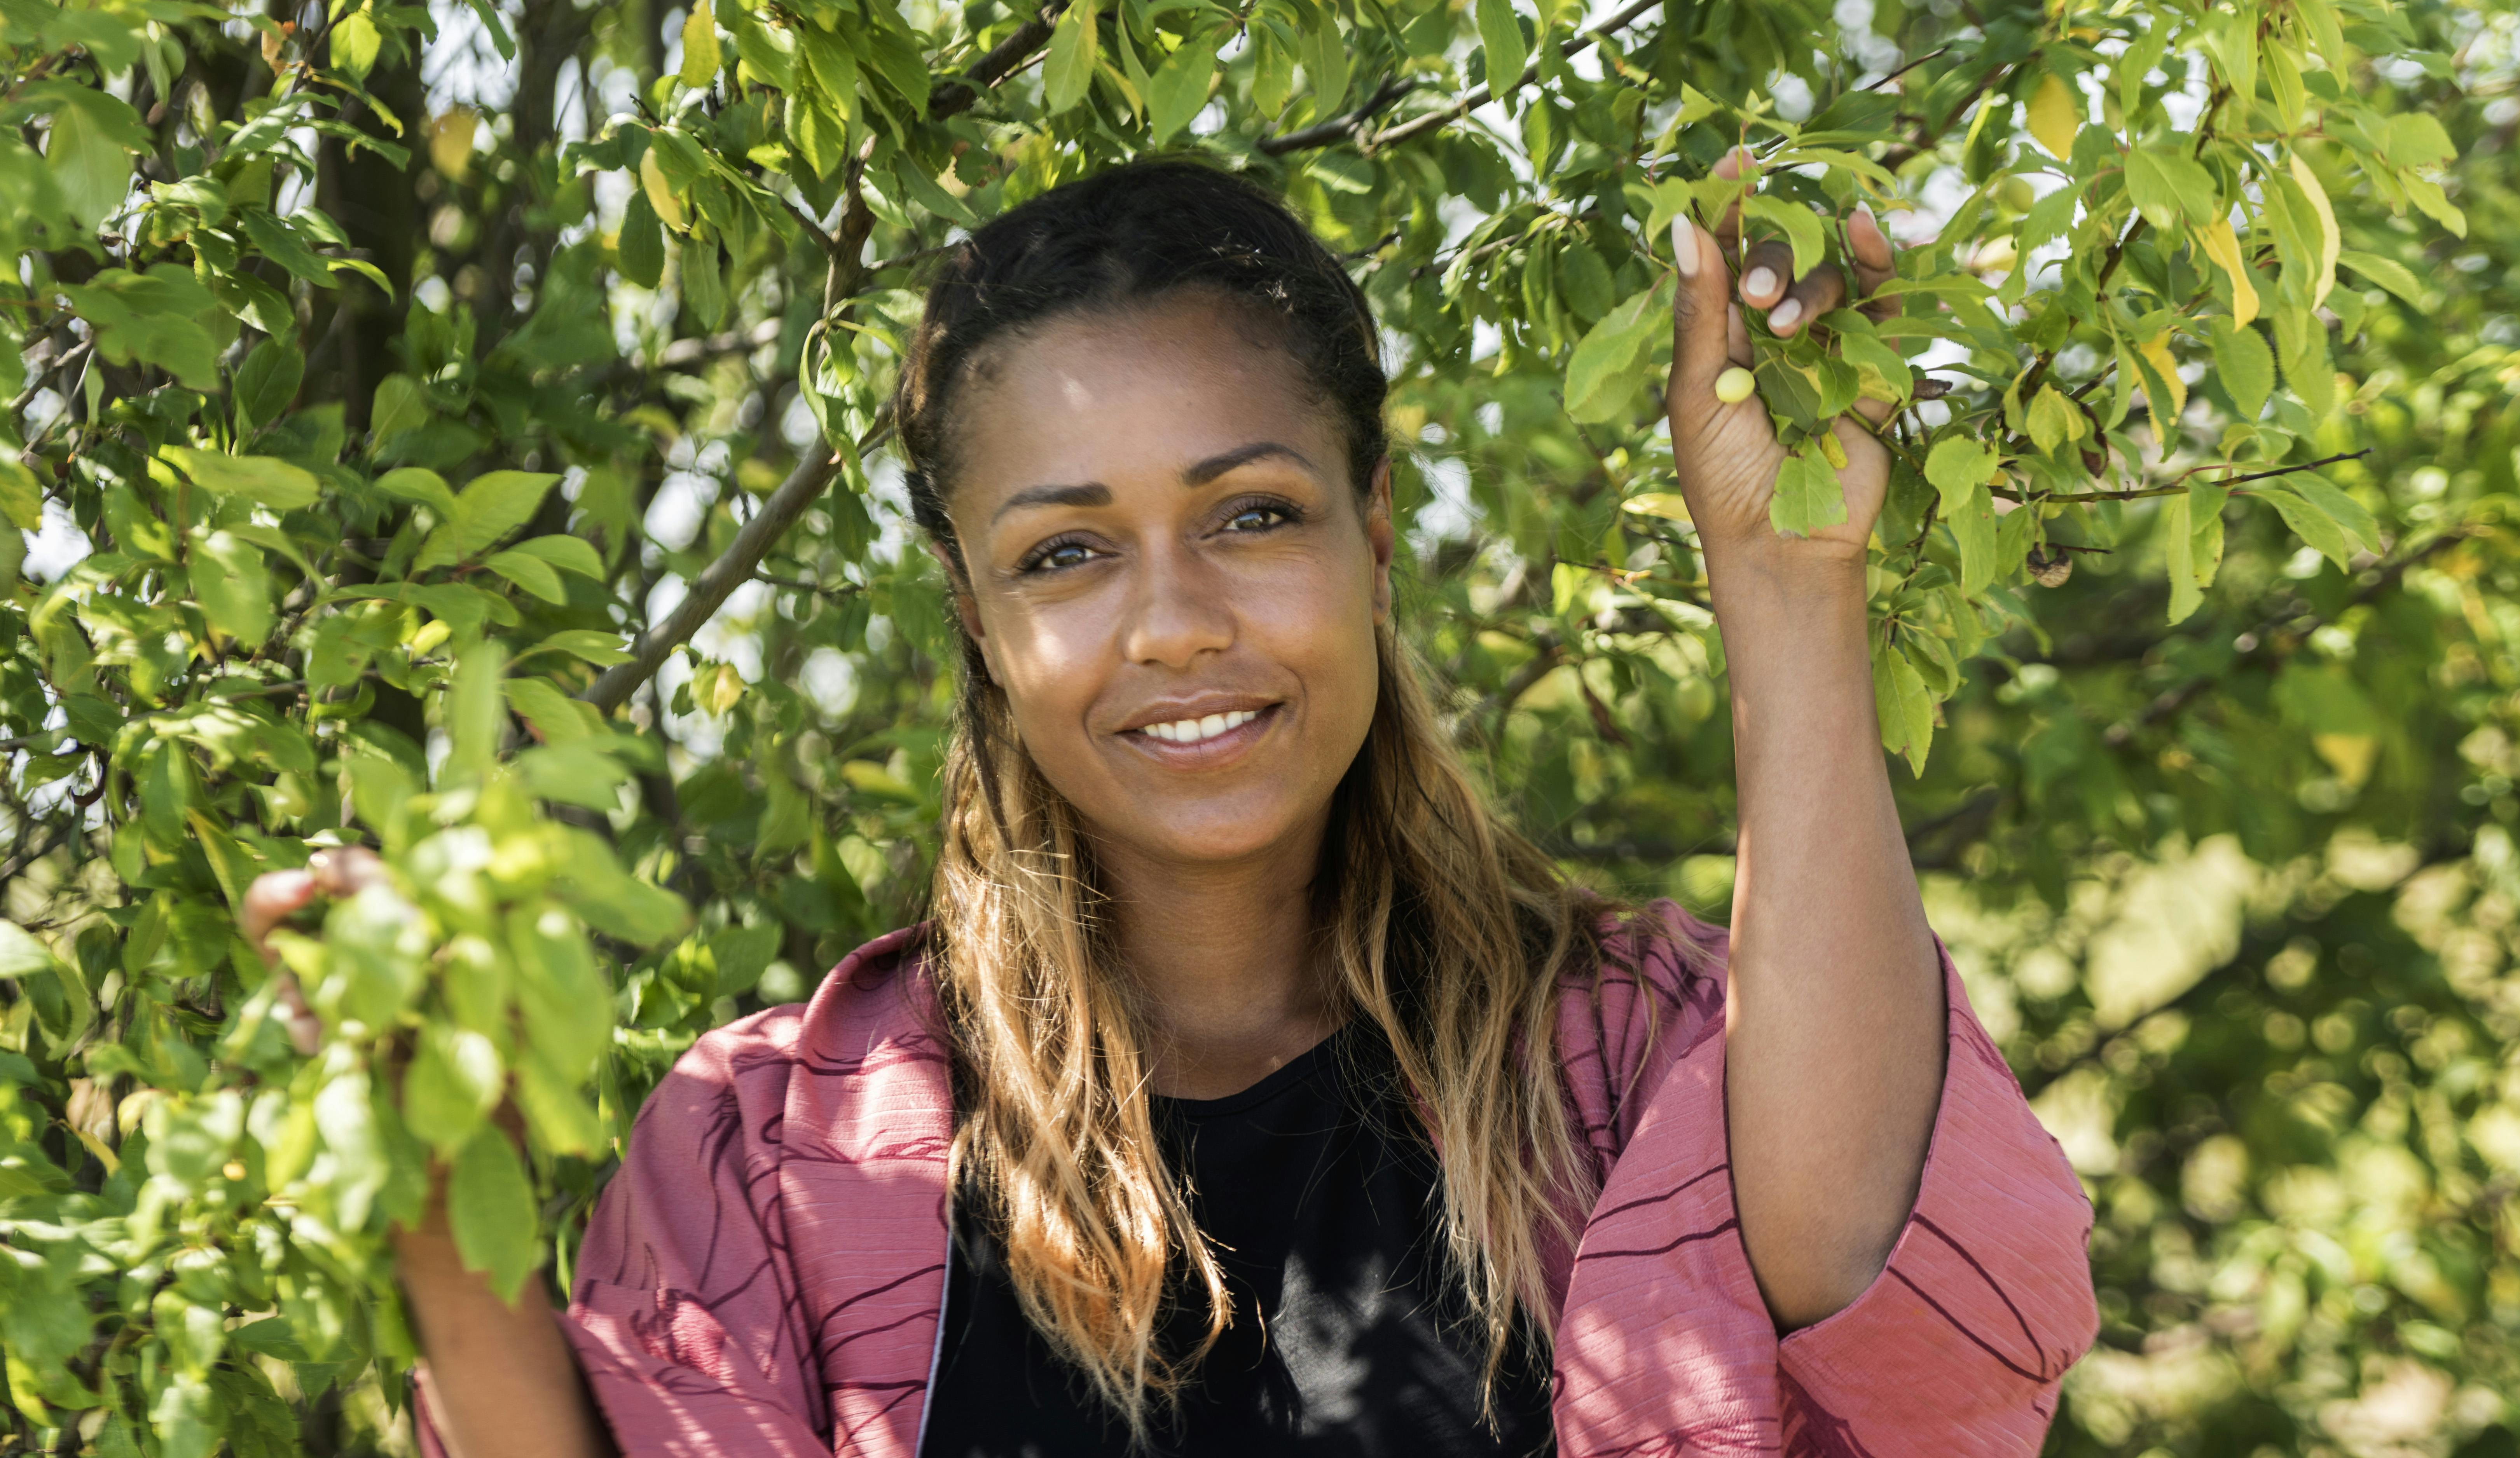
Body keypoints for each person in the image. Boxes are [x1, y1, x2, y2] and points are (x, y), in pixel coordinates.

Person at [243, 157, 2097, 1458]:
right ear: (977, 616)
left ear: (1376, 533)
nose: (1176, 623)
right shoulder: (782, 1153)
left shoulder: (1635, 1058)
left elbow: (1893, 1338)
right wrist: (435, 1208)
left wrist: (1788, 584)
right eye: (1066, 552)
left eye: (1254, 512)